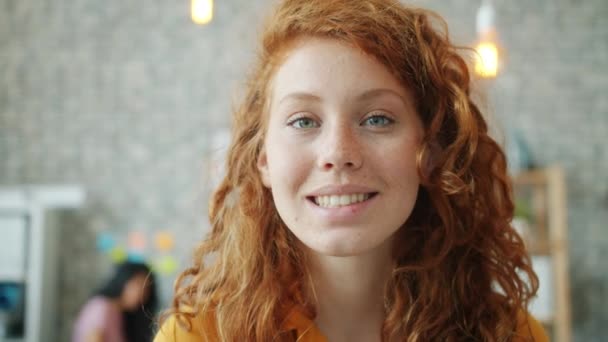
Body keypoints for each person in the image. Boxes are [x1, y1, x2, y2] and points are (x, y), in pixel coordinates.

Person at [155, 0, 548, 340]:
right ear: (264, 160)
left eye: (377, 119)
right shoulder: (197, 337)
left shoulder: (510, 335)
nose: (338, 153)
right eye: (303, 121)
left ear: (430, 153)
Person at [73, 261, 158, 342]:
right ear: (123, 280)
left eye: (147, 289)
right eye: (137, 284)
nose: (141, 292)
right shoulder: (101, 307)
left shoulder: (121, 315)